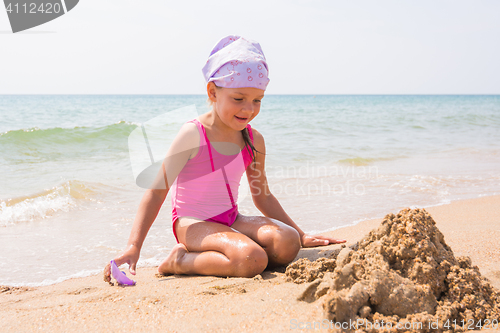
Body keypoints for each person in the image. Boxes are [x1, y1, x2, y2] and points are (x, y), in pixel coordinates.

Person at [104, 35, 346, 281]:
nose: (248, 109)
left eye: (257, 100)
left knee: (287, 242)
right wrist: (134, 246)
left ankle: (237, 250)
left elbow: (262, 194)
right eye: (238, 99)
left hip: (231, 218)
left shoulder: (254, 140)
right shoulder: (193, 134)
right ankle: (180, 261)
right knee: (251, 258)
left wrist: (302, 234)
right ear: (213, 92)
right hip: (191, 224)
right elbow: (157, 191)